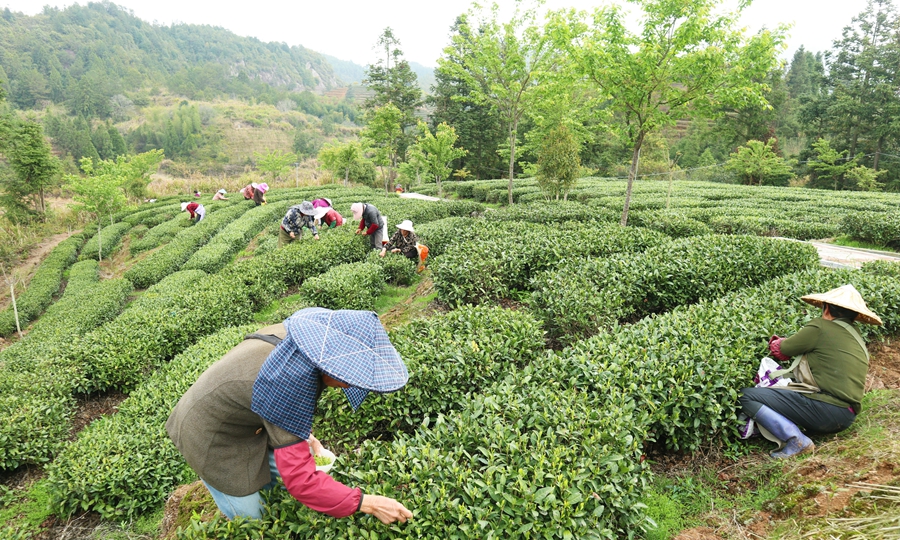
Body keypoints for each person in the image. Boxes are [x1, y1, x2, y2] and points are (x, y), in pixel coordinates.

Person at [166, 308, 414, 523]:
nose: (350, 385)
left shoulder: (308, 338)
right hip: (208, 434)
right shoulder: (286, 382)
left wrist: (308, 438)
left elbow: (284, 410)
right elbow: (301, 480)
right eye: (349, 376)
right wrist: (368, 503)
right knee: (255, 517)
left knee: (276, 484)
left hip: (247, 419)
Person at [739, 284, 882, 459]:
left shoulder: (820, 327)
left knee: (744, 396)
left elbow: (782, 350)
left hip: (824, 411)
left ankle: (796, 441)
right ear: (854, 316)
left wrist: (777, 343)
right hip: (845, 418)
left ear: (827, 307)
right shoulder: (857, 337)